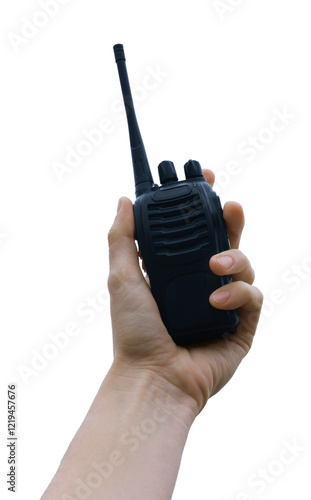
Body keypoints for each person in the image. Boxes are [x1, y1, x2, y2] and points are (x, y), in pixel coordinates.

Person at [41, 169, 263, 500]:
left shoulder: (149, 204)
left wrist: (163, 383)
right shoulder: (172, 199)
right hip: (184, 335)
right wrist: (153, 373)